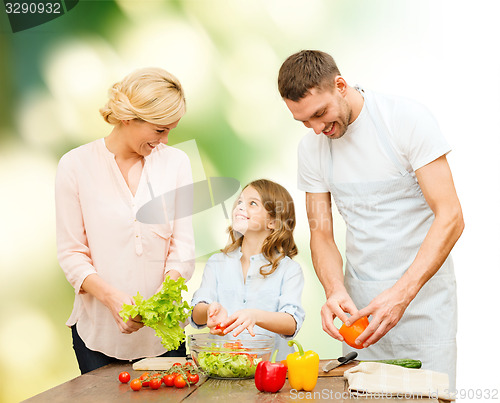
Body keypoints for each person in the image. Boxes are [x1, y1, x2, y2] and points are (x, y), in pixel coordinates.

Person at [278, 50, 464, 386]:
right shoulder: (311, 149)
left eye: (320, 113)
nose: (317, 129)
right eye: (304, 121)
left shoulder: (405, 120)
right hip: (361, 319)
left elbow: (450, 216)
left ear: (341, 85)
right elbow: (321, 234)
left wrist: (401, 295)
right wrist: (333, 289)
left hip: (424, 307)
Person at [55, 67, 195, 374]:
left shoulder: (177, 163)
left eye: (171, 129)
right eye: (159, 130)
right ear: (129, 118)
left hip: (164, 336)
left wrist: (164, 296)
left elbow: (183, 248)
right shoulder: (75, 165)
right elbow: (71, 253)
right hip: (97, 337)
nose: (165, 139)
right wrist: (112, 299)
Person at [190, 179, 305, 361]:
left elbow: (291, 322)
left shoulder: (289, 269)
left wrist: (255, 315)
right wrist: (209, 310)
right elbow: (197, 314)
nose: (240, 207)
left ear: (273, 223)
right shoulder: (217, 262)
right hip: (224, 367)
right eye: (240, 202)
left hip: (271, 370)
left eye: (252, 203)